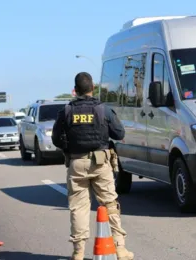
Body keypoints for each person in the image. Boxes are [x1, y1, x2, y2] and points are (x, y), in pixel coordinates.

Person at [51, 72, 134, 260]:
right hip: (100, 162)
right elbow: (119, 133)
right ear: (93, 88)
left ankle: (78, 252)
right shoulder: (103, 110)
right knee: (110, 204)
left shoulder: (66, 111)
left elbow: (56, 138)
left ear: (75, 90)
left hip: (76, 162)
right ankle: (120, 249)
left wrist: (69, 148)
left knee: (78, 208)